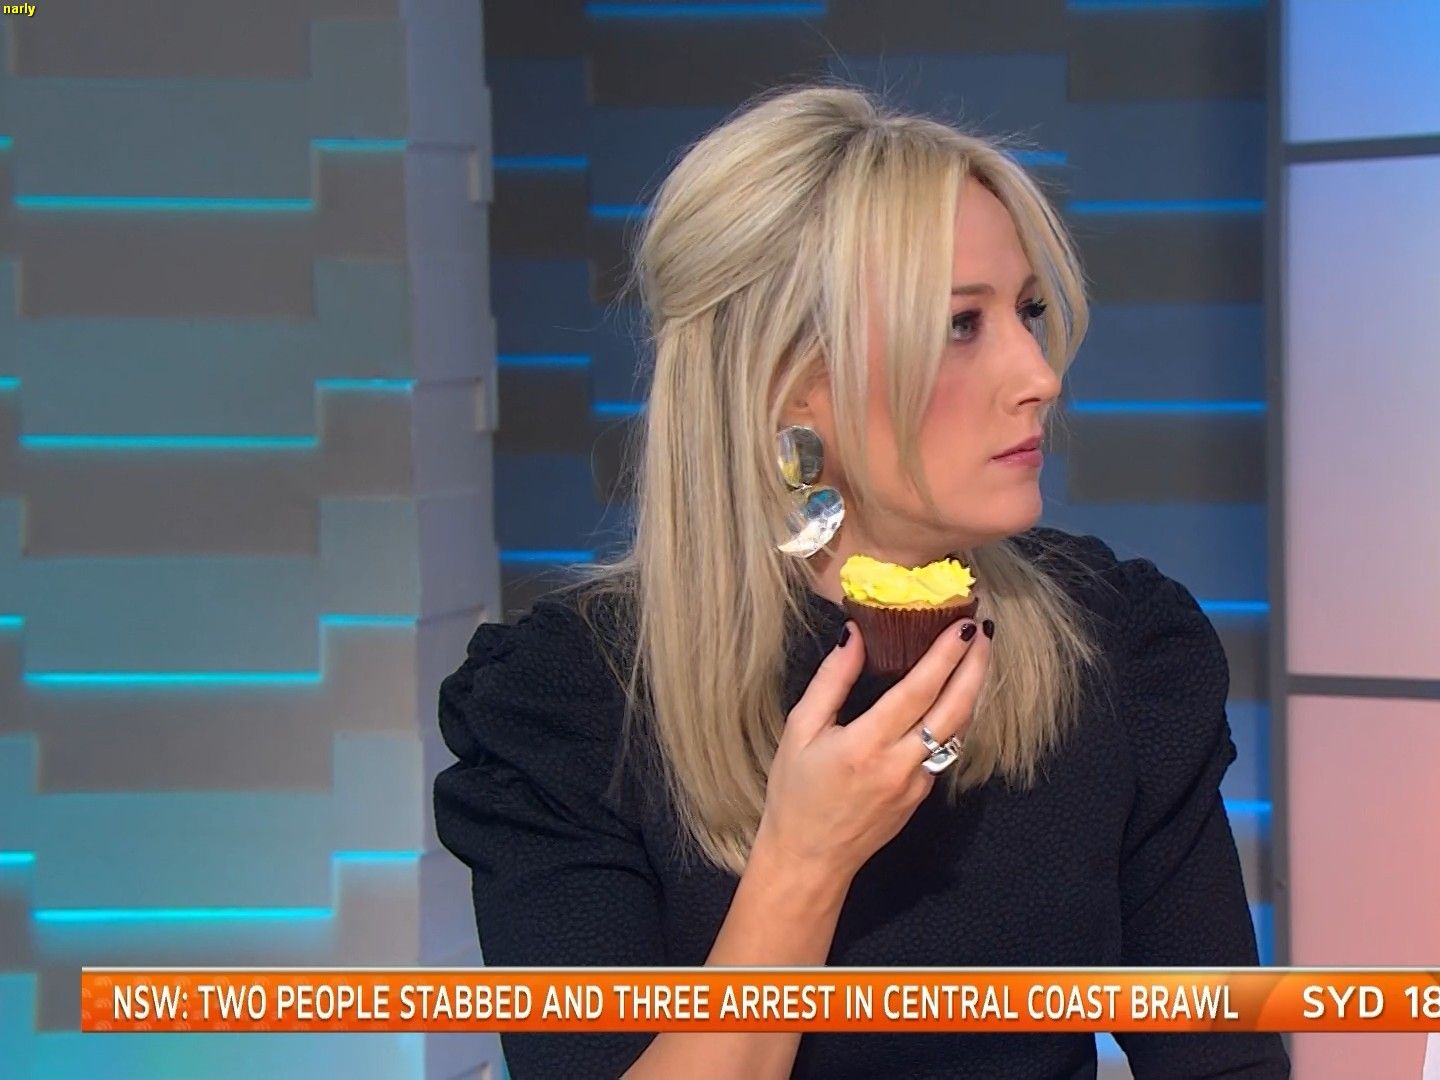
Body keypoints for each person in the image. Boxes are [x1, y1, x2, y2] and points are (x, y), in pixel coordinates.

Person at [432, 83, 1290, 1080]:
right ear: (790, 381)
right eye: (962, 324)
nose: (1040, 376)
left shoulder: (1122, 645)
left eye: (1027, 311)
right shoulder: (569, 705)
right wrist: (804, 863)